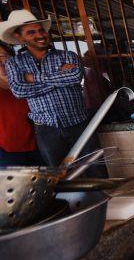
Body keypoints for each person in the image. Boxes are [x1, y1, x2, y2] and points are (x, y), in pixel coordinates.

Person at [1, 10, 104, 174]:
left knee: (95, 170)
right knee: (58, 177)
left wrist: (33, 78)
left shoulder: (67, 55)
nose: (40, 35)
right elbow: (19, 91)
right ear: (20, 38)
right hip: (46, 128)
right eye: (31, 32)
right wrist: (58, 78)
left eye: (41, 30)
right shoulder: (14, 63)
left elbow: (74, 77)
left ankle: (101, 200)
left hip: (78, 123)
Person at [0, 41, 42, 166]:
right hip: (6, 151)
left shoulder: (30, 82)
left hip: (41, 145)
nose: (1, 63)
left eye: (3, 57)